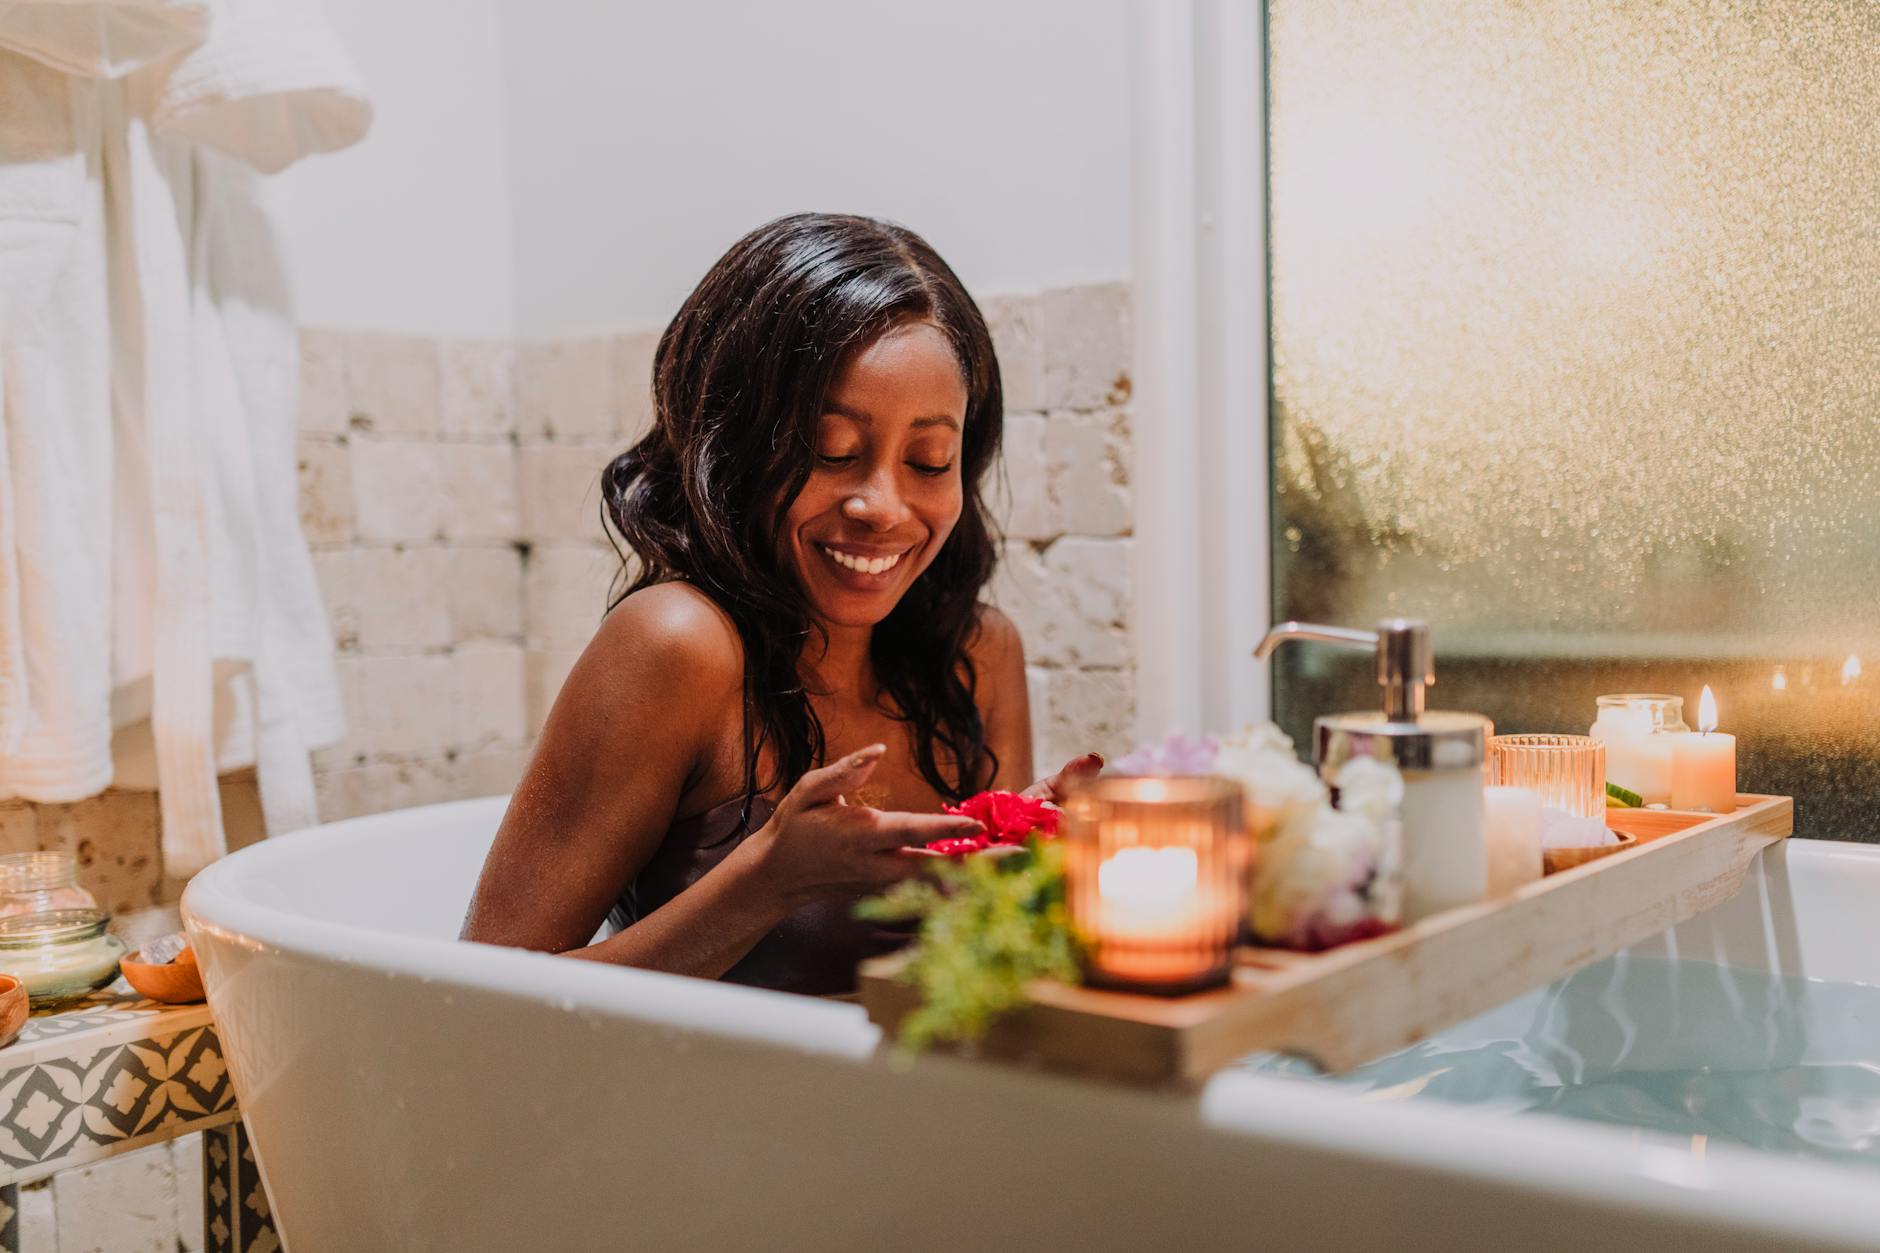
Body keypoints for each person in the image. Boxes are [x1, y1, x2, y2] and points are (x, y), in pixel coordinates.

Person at [461, 213, 1099, 995]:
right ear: (736, 446)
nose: (883, 505)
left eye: (929, 460)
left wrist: (1040, 874)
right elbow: (478, 1000)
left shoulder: (977, 653)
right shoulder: (677, 647)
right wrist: (769, 882)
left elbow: (979, 976)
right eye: (833, 451)